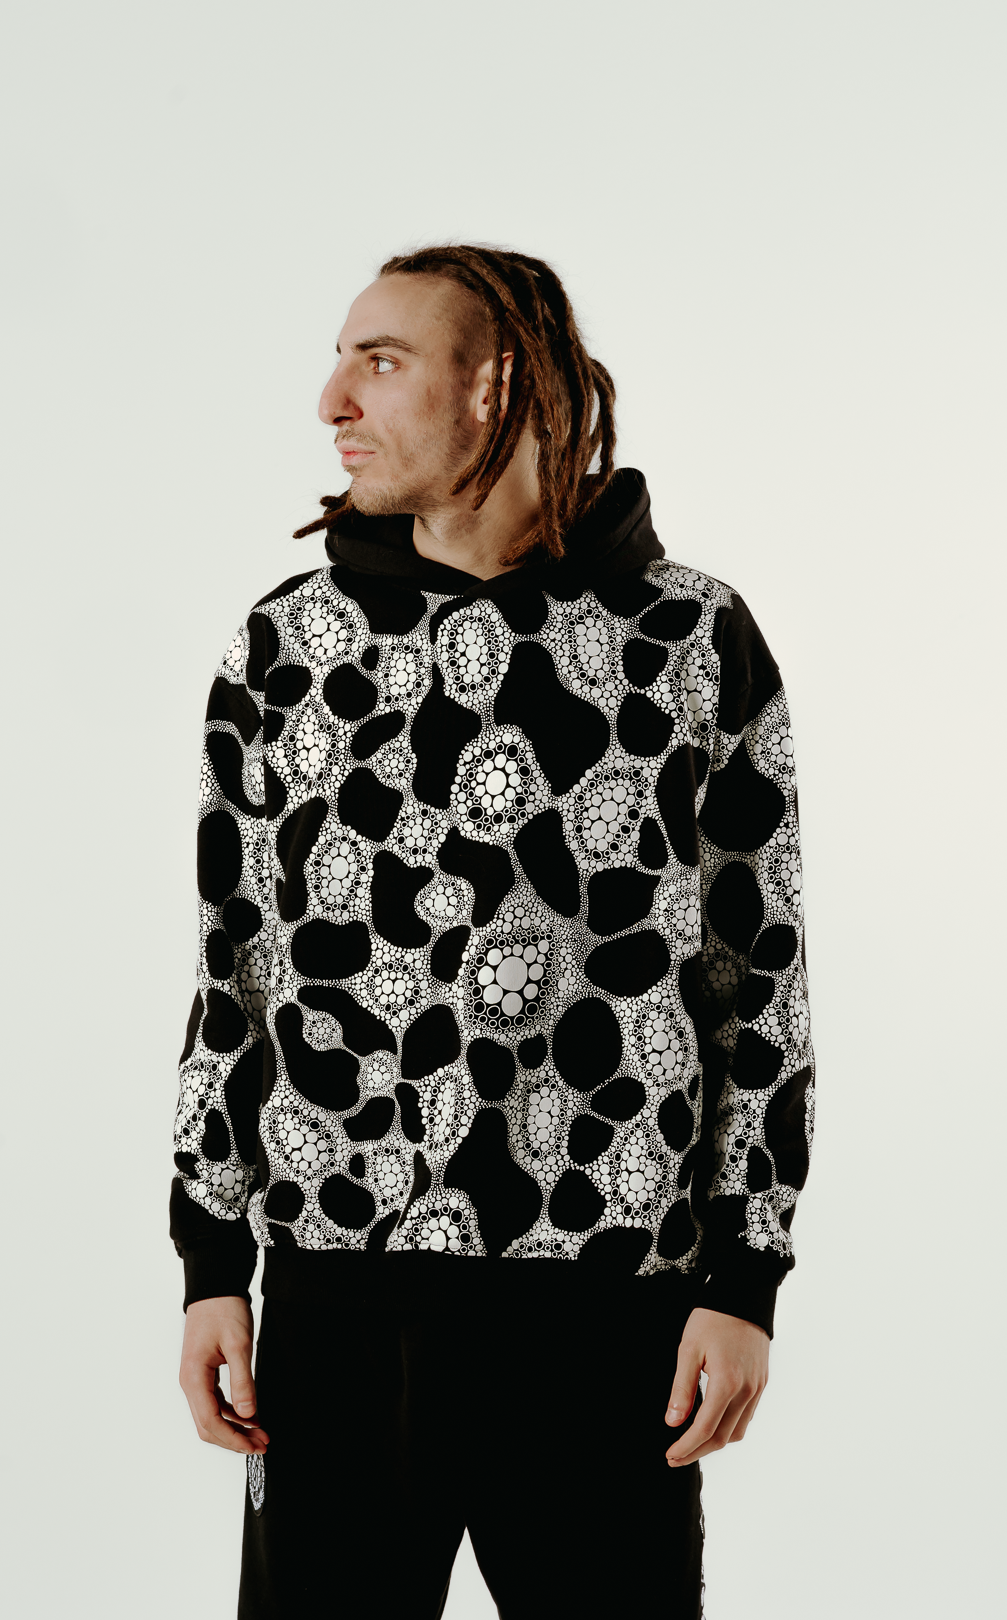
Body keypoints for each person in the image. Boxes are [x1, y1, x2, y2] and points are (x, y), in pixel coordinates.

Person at [171, 244, 814, 1619]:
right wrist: (212, 1263)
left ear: (494, 384)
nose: (332, 401)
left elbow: (757, 981)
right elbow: (235, 972)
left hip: (606, 1307)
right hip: (338, 1298)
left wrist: (745, 1277)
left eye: (381, 361)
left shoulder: (689, 639)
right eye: (340, 361)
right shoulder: (285, 650)